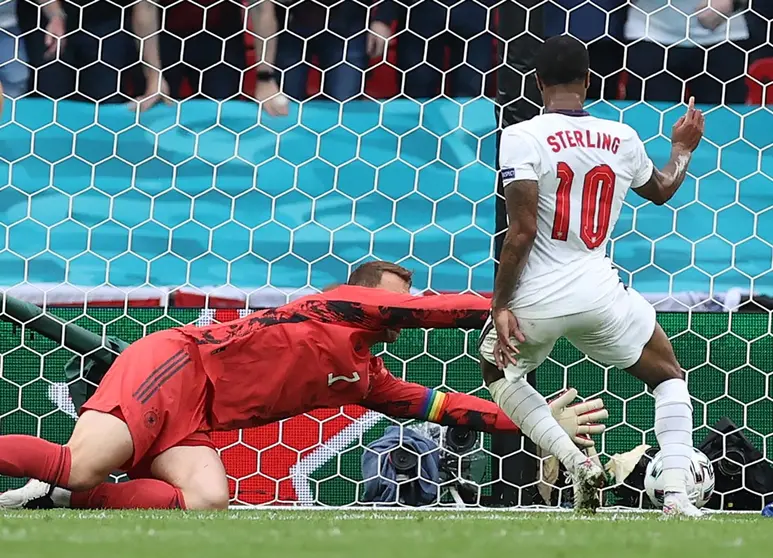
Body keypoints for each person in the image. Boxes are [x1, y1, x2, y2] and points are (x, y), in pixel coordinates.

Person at [0, 260, 608, 510]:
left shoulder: (365, 377)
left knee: (208, 500)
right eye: (393, 299)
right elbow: (438, 309)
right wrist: (514, 304)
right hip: (174, 365)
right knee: (79, 464)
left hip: (199, 416)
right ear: (364, 294)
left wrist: (539, 422)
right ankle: (66, 486)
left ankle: (53, 502)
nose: (401, 310)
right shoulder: (334, 306)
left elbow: (448, 407)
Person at [479, 36, 705, 516]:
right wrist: (682, 149)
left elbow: (520, 232)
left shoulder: (521, 135)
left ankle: (573, 460)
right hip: (600, 293)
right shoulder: (621, 136)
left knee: (496, 371)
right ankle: (678, 494)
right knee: (668, 375)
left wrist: (500, 305)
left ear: (537, 81)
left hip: (536, 299)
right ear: (589, 80)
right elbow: (663, 190)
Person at [251, 0, 395, 117]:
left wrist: (384, 18)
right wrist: (264, 77)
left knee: (344, 109)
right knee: (283, 108)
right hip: (290, 23)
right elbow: (261, 7)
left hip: (348, 21)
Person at [623, 0, 749, 104]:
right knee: (652, 121)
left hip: (724, 35)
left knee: (723, 122)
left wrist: (734, 2)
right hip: (650, 34)